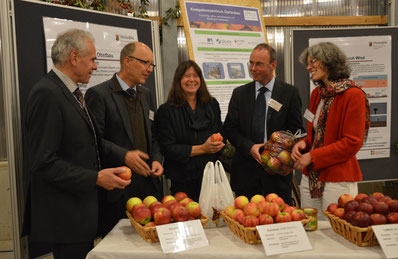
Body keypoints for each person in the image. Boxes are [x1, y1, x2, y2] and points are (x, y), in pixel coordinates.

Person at [24, 29, 131, 259]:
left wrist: (113, 165)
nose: (95, 66)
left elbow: (85, 144)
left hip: (80, 215)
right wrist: (96, 178)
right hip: (65, 219)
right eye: (92, 59)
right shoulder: (47, 94)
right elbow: (43, 162)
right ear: (74, 58)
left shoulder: (70, 93)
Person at [85, 42, 163, 236]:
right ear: (127, 61)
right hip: (118, 190)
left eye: (152, 65)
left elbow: (154, 134)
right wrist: (124, 155)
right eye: (146, 63)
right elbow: (93, 140)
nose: (150, 70)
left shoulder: (146, 94)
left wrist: (156, 159)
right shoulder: (99, 94)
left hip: (149, 188)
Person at [291, 42, 370, 215]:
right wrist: (303, 144)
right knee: (312, 229)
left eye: (313, 62)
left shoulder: (353, 95)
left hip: (338, 179)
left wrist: (312, 156)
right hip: (311, 177)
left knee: (336, 234)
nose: (308, 66)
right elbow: (316, 136)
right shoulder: (317, 94)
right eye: (308, 62)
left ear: (330, 61)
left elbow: (352, 143)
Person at [224, 43, 304, 204]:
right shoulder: (239, 94)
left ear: (273, 65)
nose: (253, 68)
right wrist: (249, 147)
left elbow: (297, 131)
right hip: (246, 173)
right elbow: (230, 128)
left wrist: (282, 148)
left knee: (280, 224)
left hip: (277, 174)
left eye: (259, 64)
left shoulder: (289, 93)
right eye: (251, 63)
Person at [154, 60, 224, 202]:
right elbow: (168, 148)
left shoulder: (212, 105)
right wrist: (203, 148)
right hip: (182, 178)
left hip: (210, 175)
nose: (191, 80)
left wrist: (220, 144)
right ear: (178, 80)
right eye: (186, 76)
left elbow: (219, 132)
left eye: (195, 76)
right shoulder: (166, 110)